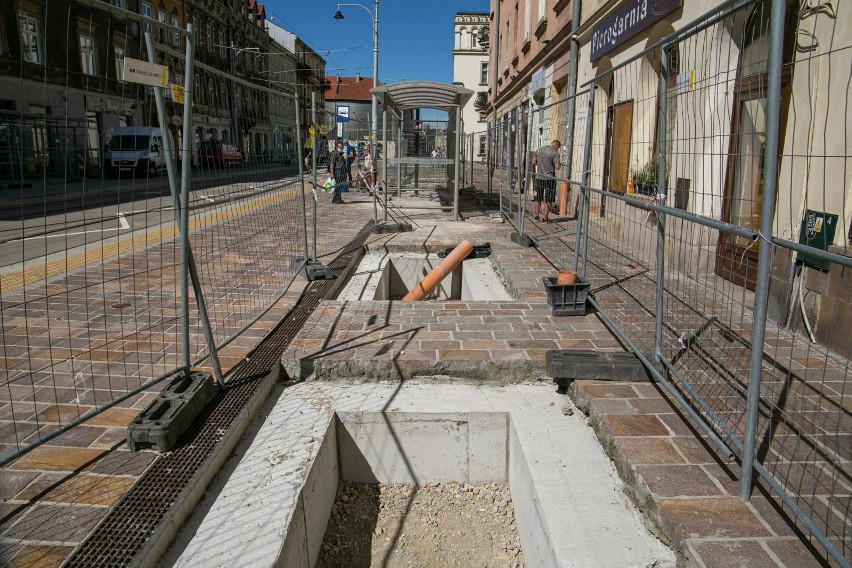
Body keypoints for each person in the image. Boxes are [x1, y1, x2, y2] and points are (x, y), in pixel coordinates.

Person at [530, 139, 562, 222]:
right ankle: (545, 218)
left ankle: (536, 217)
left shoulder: (539, 150)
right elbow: (557, 167)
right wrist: (559, 163)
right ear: (556, 146)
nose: (557, 149)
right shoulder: (555, 153)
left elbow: (533, 162)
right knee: (548, 199)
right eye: (558, 148)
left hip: (539, 178)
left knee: (538, 198)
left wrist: (540, 164)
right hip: (549, 179)